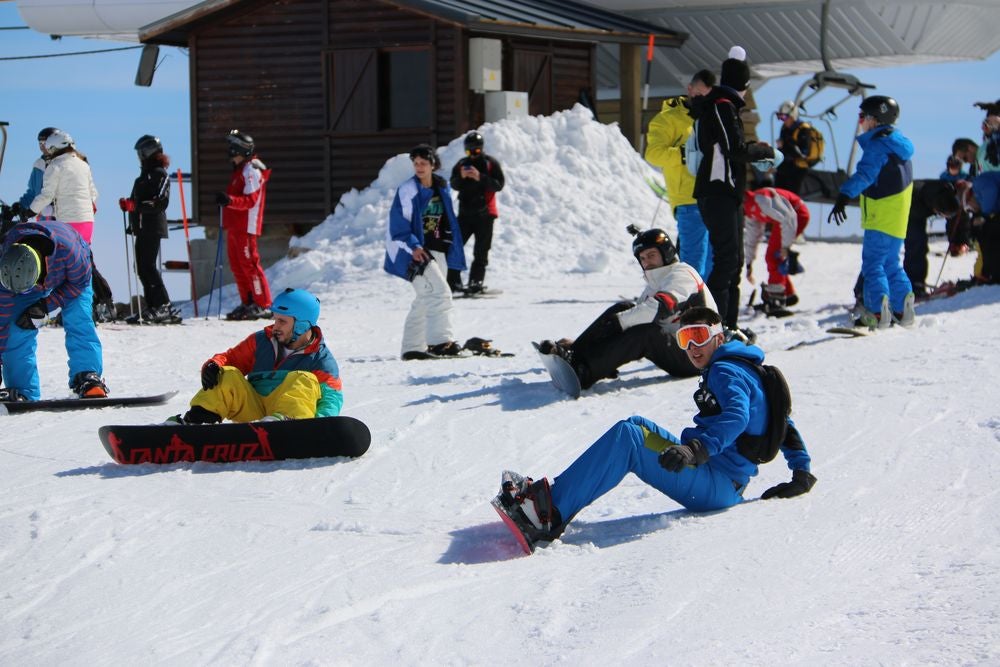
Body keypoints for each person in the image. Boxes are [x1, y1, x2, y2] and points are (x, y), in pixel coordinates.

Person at [496, 306, 815, 549]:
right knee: (634, 427)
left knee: (630, 439)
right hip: (721, 479)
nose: (692, 348)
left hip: (717, 483)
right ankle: (554, 500)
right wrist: (802, 473)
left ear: (719, 336)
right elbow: (783, 421)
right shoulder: (749, 369)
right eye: (685, 339)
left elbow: (737, 416)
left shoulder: (725, 372)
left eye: (699, 337)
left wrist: (695, 449)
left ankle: (546, 515)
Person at [537, 227, 716, 389]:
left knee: (645, 332)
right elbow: (631, 323)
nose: (647, 262)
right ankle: (576, 354)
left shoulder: (682, 274)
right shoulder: (655, 284)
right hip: (680, 346)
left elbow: (658, 309)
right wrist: (591, 344)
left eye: (652, 255)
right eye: (643, 258)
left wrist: (618, 322)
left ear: (666, 253)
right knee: (625, 308)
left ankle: (584, 372)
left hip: (698, 355)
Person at [689, 46, 775, 334]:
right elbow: (733, 149)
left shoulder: (721, 105)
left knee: (733, 262)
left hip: (726, 193)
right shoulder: (722, 105)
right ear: (744, 86)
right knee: (726, 262)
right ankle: (714, 327)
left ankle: (729, 326)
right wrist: (761, 152)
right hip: (718, 192)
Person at [167, 288, 342, 424]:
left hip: (290, 417)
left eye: (283, 321)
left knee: (305, 378)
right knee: (226, 374)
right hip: (253, 408)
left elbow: (331, 398)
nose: (275, 326)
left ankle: (285, 423)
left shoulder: (321, 359)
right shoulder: (261, 341)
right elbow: (231, 359)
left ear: (302, 325)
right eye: (275, 319)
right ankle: (196, 421)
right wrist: (214, 365)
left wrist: (322, 425)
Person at [829, 95, 916, 329]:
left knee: (873, 264)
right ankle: (903, 309)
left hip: (880, 212)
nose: (859, 122)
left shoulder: (878, 144)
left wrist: (844, 194)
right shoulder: (898, 143)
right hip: (897, 215)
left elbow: (866, 174)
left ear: (875, 119)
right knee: (890, 262)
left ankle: (876, 312)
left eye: (862, 117)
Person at [10, 130, 115, 322]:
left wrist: (29, 212)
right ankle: (93, 306)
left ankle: (52, 311)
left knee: (58, 266)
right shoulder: (83, 164)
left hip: (67, 222)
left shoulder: (55, 165)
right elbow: (94, 194)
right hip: (86, 221)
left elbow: (46, 195)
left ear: (54, 147)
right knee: (83, 263)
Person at [0, 221, 108, 400]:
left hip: (72, 279)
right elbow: (2, 320)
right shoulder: (5, 269)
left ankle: (87, 376)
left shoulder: (70, 251)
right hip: (25, 283)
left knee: (79, 318)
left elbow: (78, 283)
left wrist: (45, 307)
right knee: (16, 327)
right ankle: (22, 390)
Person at [383, 144, 467, 360]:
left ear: (433, 164)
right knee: (440, 293)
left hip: (440, 248)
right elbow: (398, 225)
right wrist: (414, 246)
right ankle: (440, 343)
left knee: (425, 297)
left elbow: (448, 218)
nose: (419, 167)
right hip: (414, 251)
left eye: (423, 163)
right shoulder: (408, 190)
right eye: (415, 163)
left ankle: (412, 348)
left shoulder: (442, 186)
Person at [644, 69, 716, 278]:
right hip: (687, 198)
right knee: (694, 262)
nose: (701, 98)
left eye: (707, 95)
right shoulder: (668, 119)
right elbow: (653, 154)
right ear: (689, 89)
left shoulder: (710, 117)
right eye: (698, 92)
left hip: (713, 196)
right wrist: (685, 154)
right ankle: (687, 305)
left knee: (714, 262)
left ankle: (706, 306)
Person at [119, 135, 182, 325]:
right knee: (141, 266)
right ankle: (154, 306)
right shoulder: (143, 176)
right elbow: (137, 202)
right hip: (142, 227)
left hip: (152, 227)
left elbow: (160, 202)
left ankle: (163, 305)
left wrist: (135, 205)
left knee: (147, 266)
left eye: (141, 152)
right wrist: (129, 208)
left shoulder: (159, 174)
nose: (139, 156)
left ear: (148, 152)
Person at [216, 129, 273, 321]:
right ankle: (248, 302)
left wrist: (229, 200)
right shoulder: (239, 171)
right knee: (238, 266)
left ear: (241, 151)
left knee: (250, 265)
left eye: (233, 149)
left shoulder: (251, 171)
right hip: (234, 225)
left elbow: (251, 201)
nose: (230, 154)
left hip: (246, 226)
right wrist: (226, 201)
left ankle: (262, 304)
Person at [446, 131, 506, 294]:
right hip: (465, 214)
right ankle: (453, 282)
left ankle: (476, 282)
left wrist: (481, 177)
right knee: (454, 247)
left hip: (485, 214)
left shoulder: (490, 164)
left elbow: (499, 185)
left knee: (481, 251)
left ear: (481, 149)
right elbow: (453, 184)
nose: (472, 155)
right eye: (469, 151)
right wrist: (462, 177)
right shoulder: (461, 164)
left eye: (476, 151)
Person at [743, 185, 810, 313]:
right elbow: (752, 237)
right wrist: (749, 263)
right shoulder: (749, 211)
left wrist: (785, 247)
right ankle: (787, 294)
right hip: (786, 220)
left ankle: (777, 298)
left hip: (797, 214)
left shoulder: (760, 199)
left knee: (773, 255)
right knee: (774, 255)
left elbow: (788, 217)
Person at [902, 180, 962, 298]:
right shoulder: (919, 203)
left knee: (918, 245)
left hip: (917, 205)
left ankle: (916, 284)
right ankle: (913, 285)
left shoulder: (946, 193)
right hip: (908, 208)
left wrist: (957, 240)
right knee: (916, 245)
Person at [774, 101, 819, 194]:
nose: (783, 120)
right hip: (783, 167)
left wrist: (787, 146)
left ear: (792, 116)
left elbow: (803, 153)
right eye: (780, 117)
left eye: (784, 117)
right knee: (778, 196)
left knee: (791, 198)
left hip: (797, 170)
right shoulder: (784, 129)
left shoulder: (803, 129)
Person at [16, 127, 59, 222]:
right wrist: (20, 206)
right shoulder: (39, 164)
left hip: (61, 218)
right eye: (40, 143)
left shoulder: (63, 163)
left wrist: (53, 210)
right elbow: (33, 193)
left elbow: (70, 194)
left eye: (45, 143)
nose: (43, 147)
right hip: (42, 217)